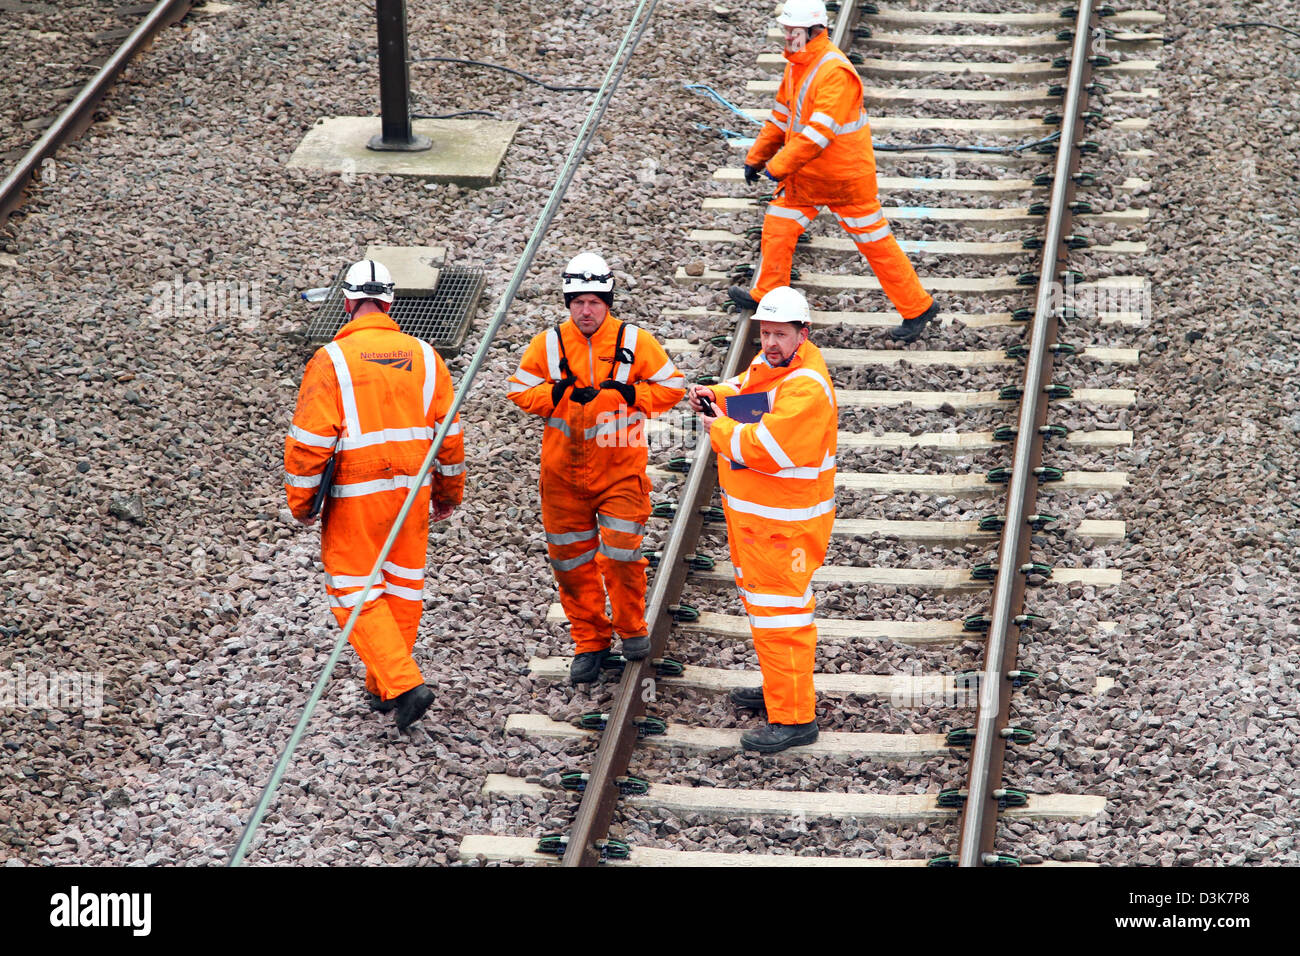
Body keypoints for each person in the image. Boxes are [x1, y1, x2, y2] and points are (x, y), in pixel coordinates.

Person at [283, 258, 465, 731]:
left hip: (357, 492)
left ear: (346, 304)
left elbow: (310, 443)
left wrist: (301, 503)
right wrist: (447, 491)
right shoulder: (427, 357)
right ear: (389, 303)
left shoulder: (331, 361)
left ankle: (404, 684)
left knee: (353, 588)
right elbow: (449, 435)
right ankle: (383, 686)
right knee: (402, 586)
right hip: (414, 489)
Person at [508, 253, 686, 684]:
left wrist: (631, 394)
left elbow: (674, 386)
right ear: (568, 303)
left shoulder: (634, 340)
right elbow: (518, 390)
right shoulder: (547, 344)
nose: (586, 310)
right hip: (562, 474)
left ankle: (631, 630)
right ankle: (590, 643)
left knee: (622, 553)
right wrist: (556, 395)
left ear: (608, 302)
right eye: (578, 302)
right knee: (571, 563)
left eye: (594, 302)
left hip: (620, 467)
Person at [728, 0, 939, 343]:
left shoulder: (834, 72)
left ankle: (918, 307)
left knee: (876, 245)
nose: (785, 35)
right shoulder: (798, 66)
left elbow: (817, 135)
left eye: (790, 30)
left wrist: (776, 167)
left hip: (844, 182)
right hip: (808, 180)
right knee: (777, 229)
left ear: (812, 31)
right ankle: (768, 294)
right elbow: (782, 117)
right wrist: (758, 155)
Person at [689, 286, 836, 753]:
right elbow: (745, 388)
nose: (770, 343)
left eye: (779, 334)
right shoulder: (775, 366)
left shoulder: (806, 387)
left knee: (782, 618)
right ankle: (780, 691)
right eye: (765, 333)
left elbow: (765, 448)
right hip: (760, 522)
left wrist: (719, 427)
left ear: (802, 334)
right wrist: (714, 394)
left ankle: (794, 719)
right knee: (766, 613)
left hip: (783, 528)